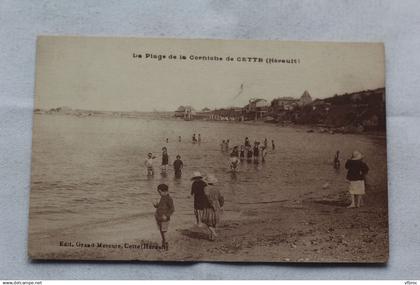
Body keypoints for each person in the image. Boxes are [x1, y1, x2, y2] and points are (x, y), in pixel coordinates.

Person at [202, 175, 224, 241]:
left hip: (209, 206)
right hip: (217, 204)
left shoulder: (206, 188)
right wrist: (221, 205)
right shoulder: (217, 189)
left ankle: (213, 233)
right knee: (214, 221)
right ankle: (212, 237)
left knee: (206, 221)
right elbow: (221, 198)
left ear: (207, 182)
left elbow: (207, 197)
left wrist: (211, 204)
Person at [153, 183, 175, 249]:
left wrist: (166, 215)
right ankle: (164, 242)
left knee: (164, 231)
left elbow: (172, 209)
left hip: (165, 218)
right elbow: (160, 206)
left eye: (160, 192)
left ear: (164, 191)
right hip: (159, 217)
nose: (159, 194)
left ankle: (166, 244)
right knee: (161, 231)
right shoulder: (163, 197)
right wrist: (156, 205)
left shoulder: (169, 198)